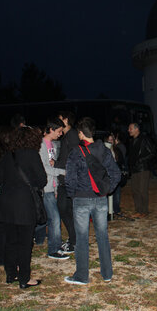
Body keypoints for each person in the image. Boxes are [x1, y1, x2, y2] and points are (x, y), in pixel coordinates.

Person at [64, 117, 121, 285]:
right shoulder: (103, 150)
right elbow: (116, 174)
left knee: (81, 238)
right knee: (102, 236)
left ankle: (81, 276)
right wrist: (107, 190)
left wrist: (72, 194)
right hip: (100, 199)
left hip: (81, 198)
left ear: (81, 133)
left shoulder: (75, 152)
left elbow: (70, 178)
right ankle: (107, 273)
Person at [0, 126, 46, 288]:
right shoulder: (32, 155)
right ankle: (25, 278)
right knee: (25, 243)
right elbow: (42, 180)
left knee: (11, 241)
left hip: (6, 203)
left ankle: (11, 274)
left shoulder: (8, 155)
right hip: (24, 204)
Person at [39, 117, 68, 259]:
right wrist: (62, 171)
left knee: (53, 218)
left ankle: (56, 244)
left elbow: (53, 164)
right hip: (45, 187)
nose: (60, 134)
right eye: (59, 131)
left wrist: (56, 188)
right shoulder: (41, 145)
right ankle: (53, 249)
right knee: (55, 218)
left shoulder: (53, 144)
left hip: (52, 186)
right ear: (51, 129)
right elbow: (45, 168)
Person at [54, 111, 79, 253]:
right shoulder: (67, 136)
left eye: (60, 119)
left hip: (70, 179)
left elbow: (74, 158)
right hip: (65, 178)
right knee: (66, 209)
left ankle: (74, 241)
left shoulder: (72, 135)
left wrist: (58, 165)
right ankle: (73, 239)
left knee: (65, 209)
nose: (58, 122)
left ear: (66, 119)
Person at [127, 122, 155, 218]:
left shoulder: (144, 139)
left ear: (136, 129)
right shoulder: (132, 141)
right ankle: (138, 210)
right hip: (134, 169)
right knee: (135, 190)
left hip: (143, 168)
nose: (128, 130)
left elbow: (152, 153)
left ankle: (144, 211)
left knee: (142, 190)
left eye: (130, 128)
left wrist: (140, 160)